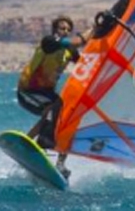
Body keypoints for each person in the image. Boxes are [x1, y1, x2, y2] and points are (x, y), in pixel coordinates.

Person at [17, 15, 94, 178]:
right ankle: (30, 143)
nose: (65, 31)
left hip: (47, 94)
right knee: (52, 108)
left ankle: (60, 163)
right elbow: (77, 42)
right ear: (55, 30)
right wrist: (95, 28)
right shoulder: (49, 42)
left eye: (68, 29)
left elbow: (85, 63)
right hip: (28, 91)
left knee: (67, 117)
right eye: (62, 28)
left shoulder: (69, 50)